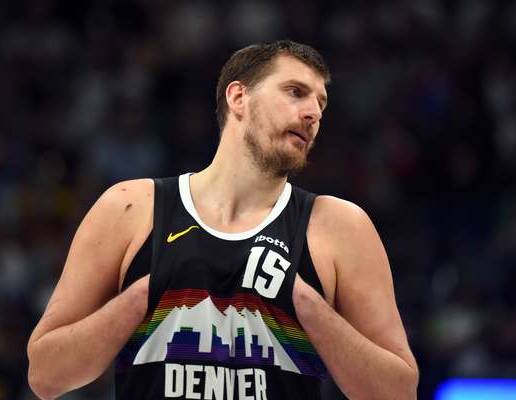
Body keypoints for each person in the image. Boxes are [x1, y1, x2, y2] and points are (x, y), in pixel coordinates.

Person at [27, 40, 418, 400]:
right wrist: (141, 297)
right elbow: (45, 375)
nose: (313, 113)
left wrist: (308, 305)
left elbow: (399, 392)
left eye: (321, 103)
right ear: (238, 97)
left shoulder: (339, 226)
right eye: (296, 92)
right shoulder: (130, 207)